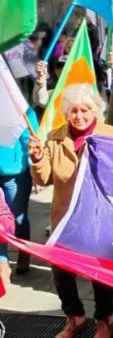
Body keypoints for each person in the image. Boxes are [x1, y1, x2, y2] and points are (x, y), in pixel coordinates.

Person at [29, 85, 113, 338]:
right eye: (73, 111)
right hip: (65, 219)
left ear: (95, 110)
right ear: (66, 113)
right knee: (61, 271)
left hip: (99, 218)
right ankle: (75, 317)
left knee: (100, 273)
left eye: (84, 110)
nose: (79, 116)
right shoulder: (54, 137)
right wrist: (38, 159)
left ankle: (104, 320)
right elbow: (45, 178)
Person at [0, 108, 38, 284]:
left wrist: (34, 167)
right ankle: (2, 261)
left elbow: (31, 139)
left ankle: (24, 251)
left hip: (15, 173)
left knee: (18, 217)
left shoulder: (21, 109)